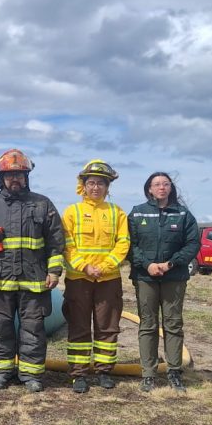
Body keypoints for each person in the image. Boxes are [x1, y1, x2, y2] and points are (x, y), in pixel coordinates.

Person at [0, 149, 64, 393]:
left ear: (27, 176)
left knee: (33, 328)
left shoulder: (43, 204)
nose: (15, 179)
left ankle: (31, 375)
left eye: (19, 174)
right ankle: (0, 372)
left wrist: (53, 272)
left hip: (34, 281)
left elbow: (56, 242)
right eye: (10, 175)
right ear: (1, 178)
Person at [61, 160, 130, 394]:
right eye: (91, 182)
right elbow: (67, 245)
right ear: (83, 185)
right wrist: (85, 267)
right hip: (79, 279)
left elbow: (123, 243)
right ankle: (78, 375)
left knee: (107, 328)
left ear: (108, 187)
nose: (96, 187)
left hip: (108, 279)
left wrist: (106, 265)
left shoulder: (117, 212)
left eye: (101, 183)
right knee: (79, 327)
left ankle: (103, 372)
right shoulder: (72, 212)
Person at [128, 172, 200, 393]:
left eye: (165, 184)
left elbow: (192, 244)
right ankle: (148, 373)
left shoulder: (182, 214)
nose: (161, 187)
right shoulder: (137, 212)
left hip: (174, 277)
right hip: (145, 276)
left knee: (173, 324)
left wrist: (170, 264)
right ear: (149, 189)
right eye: (156, 184)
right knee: (148, 324)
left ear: (171, 188)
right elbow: (130, 244)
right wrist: (147, 264)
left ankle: (174, 371)